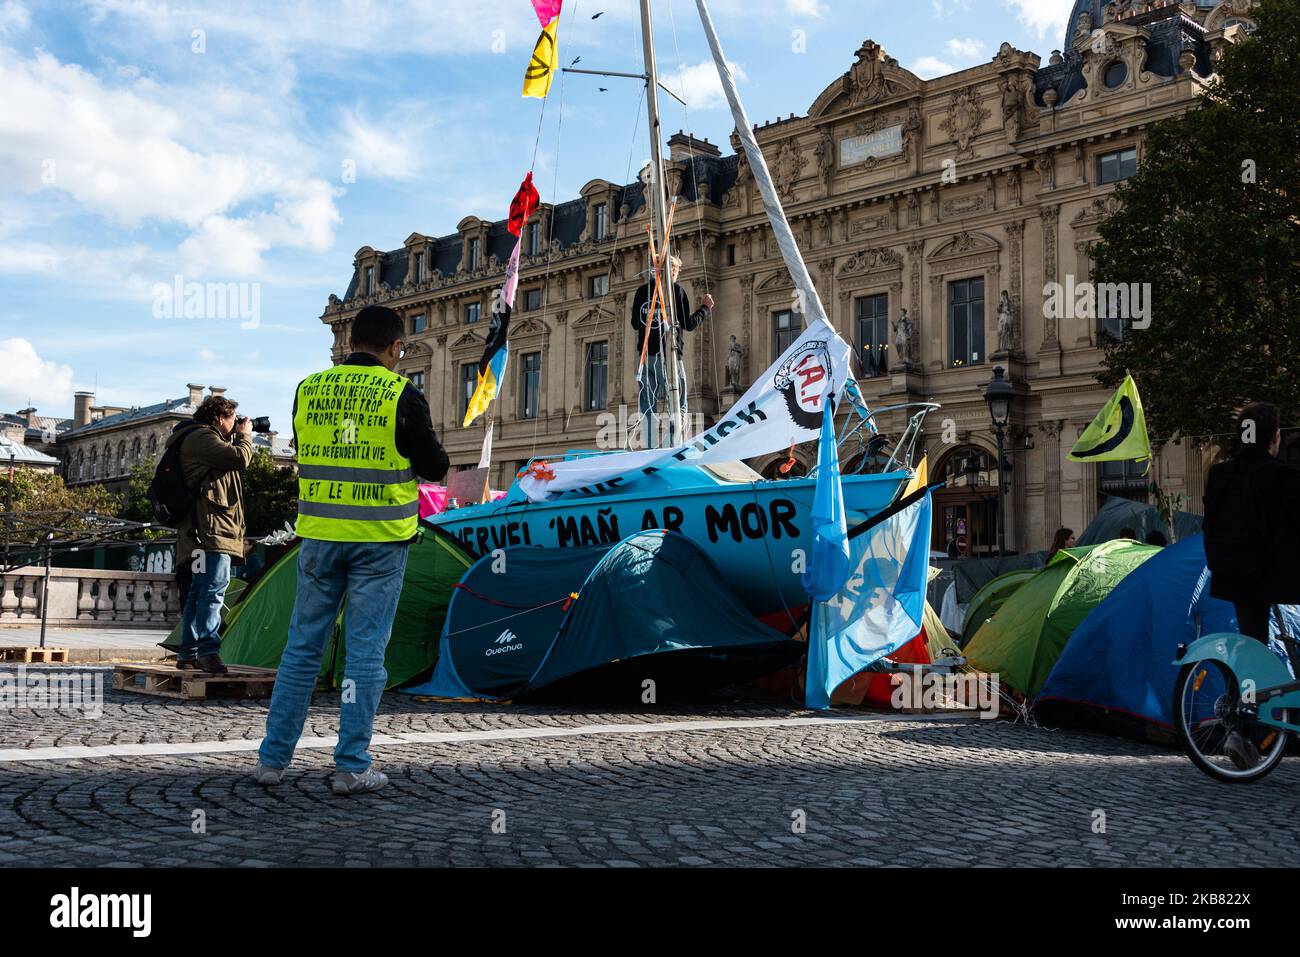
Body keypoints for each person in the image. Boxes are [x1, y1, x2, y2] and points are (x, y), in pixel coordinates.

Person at [256, 305, 449, 795]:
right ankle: (351, 767)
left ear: (348, 344)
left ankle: (272, 761)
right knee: (365, 654)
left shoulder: (308, 388)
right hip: (380, 541)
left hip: (320, 535)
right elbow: (435, 466)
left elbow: (306, 449)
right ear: (394, 349)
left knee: (301, 649)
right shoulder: (401, 393)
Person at [1203, 401, 1300, 769]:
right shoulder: (1281, 476)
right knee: (1258, 649)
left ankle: (1242, 729)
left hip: (1231, 578)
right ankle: (1253, 726)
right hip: (1278, 577)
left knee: (1251, 648)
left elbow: (1210, 525)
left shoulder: (1220, 475)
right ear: (1274, 438)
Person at [167, 394, 255, 673]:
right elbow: (241, 458)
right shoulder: (201, 439)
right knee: (213, 591)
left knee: (199, 591)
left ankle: (189, 652)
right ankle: (208, 650)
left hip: (202, 533)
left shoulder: (199, 439)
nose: (236, 424)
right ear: (219, 418)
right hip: (209, 534)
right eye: (232, 419)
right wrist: (245, 437)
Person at [631, 254, 713, 449]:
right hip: (669, 356)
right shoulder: (676, 291)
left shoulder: (642, 291)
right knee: (679, 402)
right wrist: (705, 308)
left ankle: (650, 447)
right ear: (671, 271)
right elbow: (688, 324)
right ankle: (671, 445)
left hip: (646, 357)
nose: (676, 274)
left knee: (648, 405)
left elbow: (635, 323)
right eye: (675, 270)